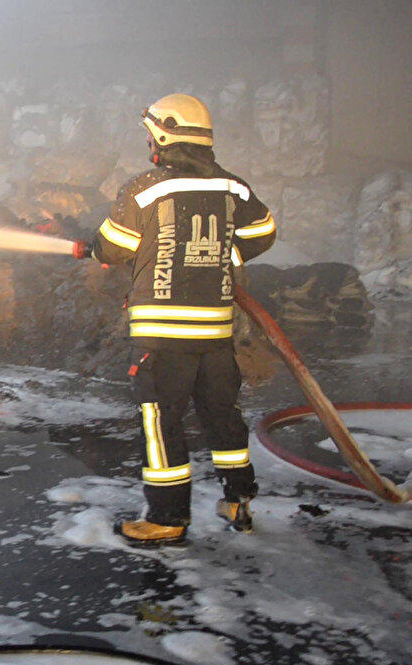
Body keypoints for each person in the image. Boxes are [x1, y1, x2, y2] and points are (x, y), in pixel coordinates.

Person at [83, 93, 277, 546]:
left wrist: (94, 247)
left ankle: (168, 517)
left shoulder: (145, 188)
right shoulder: (234, 187)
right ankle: (238, 501)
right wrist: (221, 253)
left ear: (164, 135)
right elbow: (263, 234)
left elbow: (112, 248)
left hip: (163, 335)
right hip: (215, 332)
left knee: (161, 420)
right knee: (221, 414)